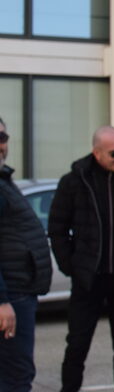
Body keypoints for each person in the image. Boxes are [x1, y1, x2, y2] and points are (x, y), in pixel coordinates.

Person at [48, 126, 114, 392]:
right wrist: (71, 266)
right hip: (88, 280)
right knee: (77, 346)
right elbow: (57, 227)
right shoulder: (74, 181)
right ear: (97, 153)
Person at [0, 117, 53, 392]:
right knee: (15, 378)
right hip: (11, 298)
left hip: (18, 294)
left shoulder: (4, 179)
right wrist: (2, 301)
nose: (1, 145)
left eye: (3, 138)